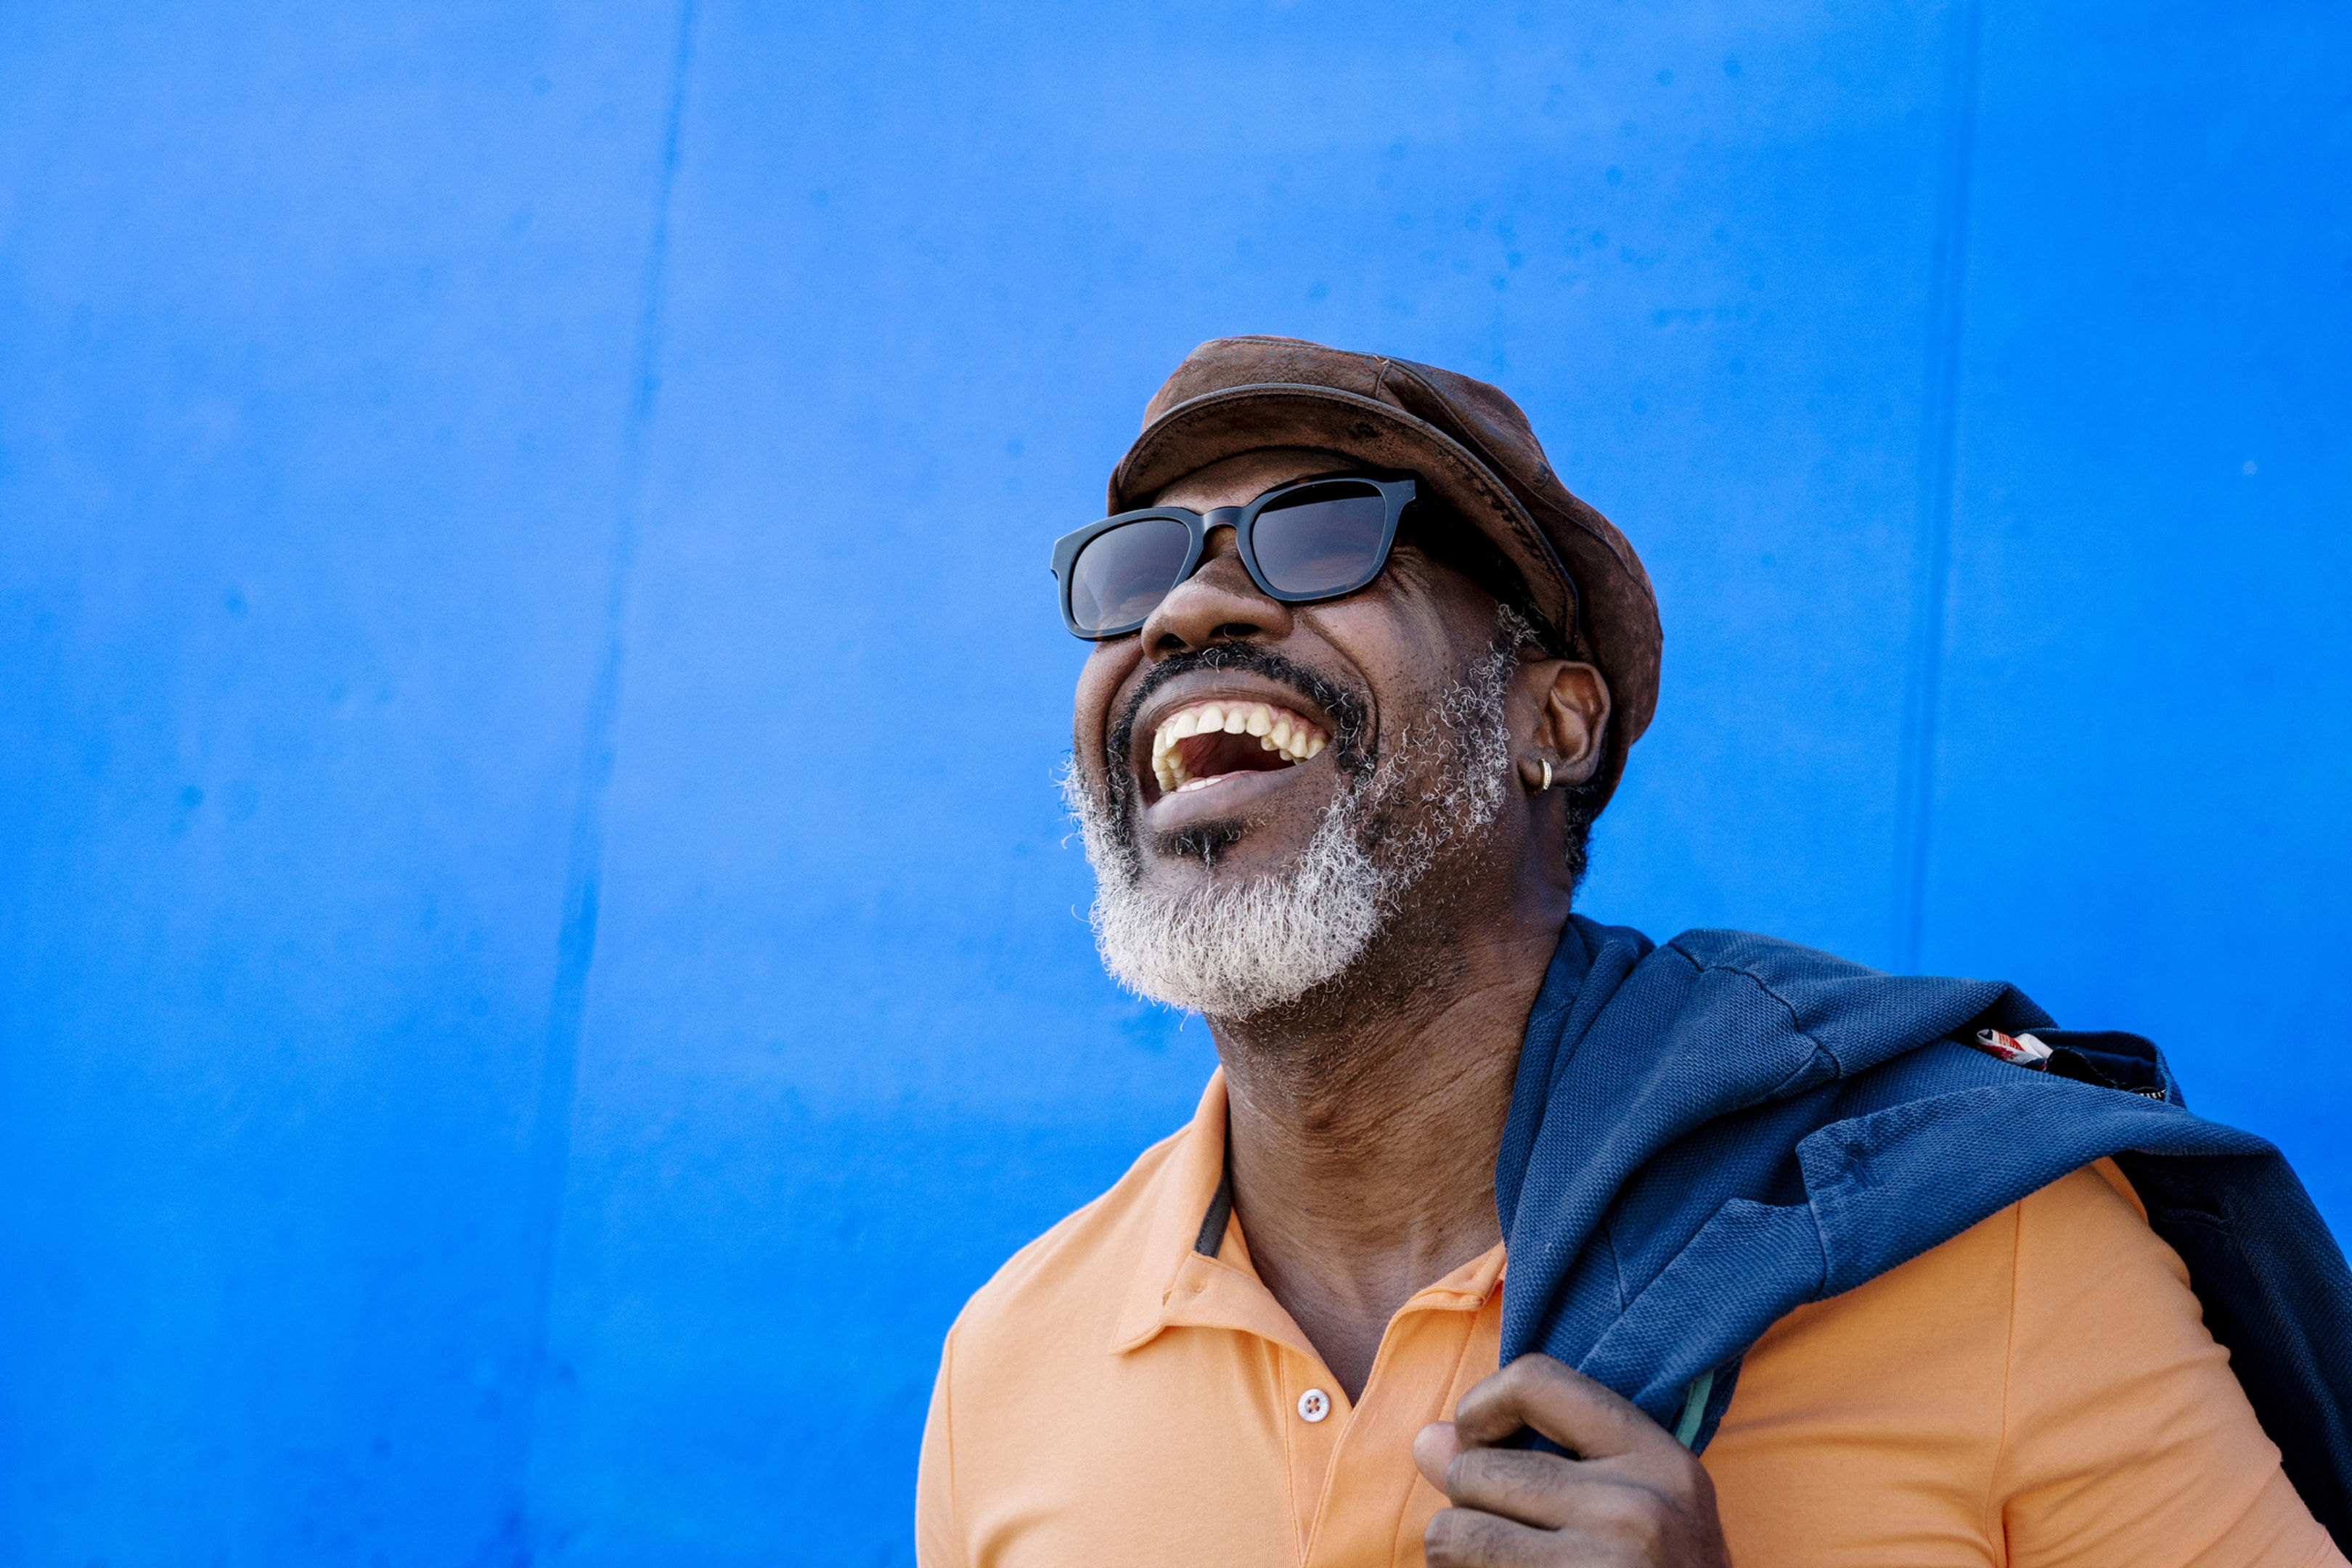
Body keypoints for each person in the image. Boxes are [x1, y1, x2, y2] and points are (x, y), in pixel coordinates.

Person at [914, 336, 2352, 1567]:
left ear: (1556, 724)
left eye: (1323, 533)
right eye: (1137, 567)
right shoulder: (1015, 1361)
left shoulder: (1981, 1239)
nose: (1184, 610)